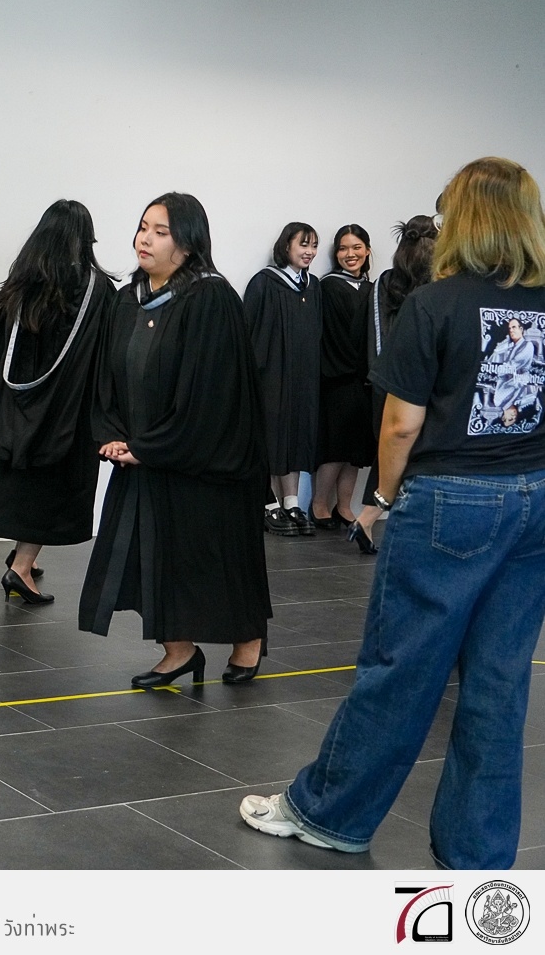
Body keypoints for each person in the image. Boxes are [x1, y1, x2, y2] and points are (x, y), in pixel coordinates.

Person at [240, 156, 545, 869]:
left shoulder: (435, 304)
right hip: (533, 502)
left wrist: (378, 501)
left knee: (400, 668)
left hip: (450, 502)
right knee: (500, 684)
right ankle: (477, 853)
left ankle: (331, 813)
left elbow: (401, 426)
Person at [78, 193, 271, 687]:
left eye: (160, 232)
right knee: (153, 557)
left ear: (187, 244)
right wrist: (113, 434)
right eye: (143, 227)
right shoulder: (128, 298)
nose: (145, 239)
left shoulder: (210, 298)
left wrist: (151, 447)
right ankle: (179, 651)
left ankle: (248, 641)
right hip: (144, 458)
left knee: (214, 557)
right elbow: (106, 377)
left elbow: (212, 392)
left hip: (203, 465)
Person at [0, 200, 114, 604]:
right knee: (50, 492)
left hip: (14, 410)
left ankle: (21, 555)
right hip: (67, 415)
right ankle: (22, 568)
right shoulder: (97, 289)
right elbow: (108, 355)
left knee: (24, 486)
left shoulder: (22, 285)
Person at [349, 215, 437, 553]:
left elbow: (377, 336)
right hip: (416, 386)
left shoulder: (387, 281)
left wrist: (381, 380)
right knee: (409, 455)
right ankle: (372, 521)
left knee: (393, 453)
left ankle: (367, 519)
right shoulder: (435, 287)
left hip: (389, 382)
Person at [244, 223, 323, 536]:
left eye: (314, 245)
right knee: (270, 436)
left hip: (303, 377)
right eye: (303, 244)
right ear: (286, 246)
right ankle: (267, 502)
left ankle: (291, 502)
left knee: (296, 435)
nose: (309, 252)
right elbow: (250, 333)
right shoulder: (264, 283)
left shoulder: (313, 287)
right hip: (271, 377)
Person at [310, 225, 375, 528]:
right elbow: (333, 337)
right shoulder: (329, 286)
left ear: (367, 250)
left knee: (356, 451)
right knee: (335, 447)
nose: (351, 254)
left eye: (357, 247)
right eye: (343, 248)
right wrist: (353, 367)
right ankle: (320, 505)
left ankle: (345, 506)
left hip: (366, 380)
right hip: (339, 378)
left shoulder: (372, 288)